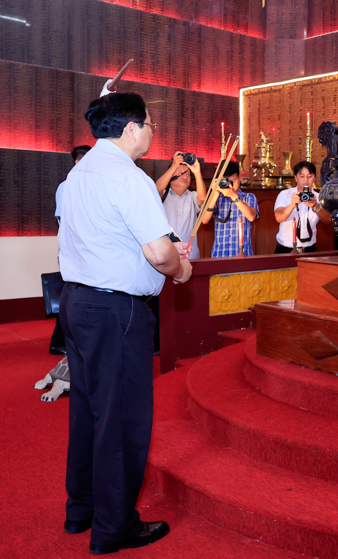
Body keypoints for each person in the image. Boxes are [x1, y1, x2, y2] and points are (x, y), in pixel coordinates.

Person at [57, 93, 192, 554]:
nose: (154, 133)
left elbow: (106, 235)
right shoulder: (129, 178)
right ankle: (113, 527)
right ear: (131, 129)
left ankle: (82, 510)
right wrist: (181, 269)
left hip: (76, 304)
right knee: (121, 420)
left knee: (88, 412)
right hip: (116, 312)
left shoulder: (77, 174)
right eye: (151, 125)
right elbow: (158, 253)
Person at [50, 144, 91, 356]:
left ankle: (66, 340)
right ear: (78, 162)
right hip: (74, 251)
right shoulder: (67, 186)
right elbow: (65, 221)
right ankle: (60, 341)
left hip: (81, 250)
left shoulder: (86, 185)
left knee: (77, 296)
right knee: (73, 295)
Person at [199, 161, 259, 258]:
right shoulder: (216, 199)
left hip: (242, 256)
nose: (230, 185)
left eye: (233, 181)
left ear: (240, 178)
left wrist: (234, 196)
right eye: (225, 182)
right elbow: (204, 220)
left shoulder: (249, 197)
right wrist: (215, 193)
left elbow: (251, 217)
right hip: (219, 255)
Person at [155, 151, 206, 260]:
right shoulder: (163, 195)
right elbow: (157, 189)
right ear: (170, 177)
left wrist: (197, 173)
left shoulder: (192, 196)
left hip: (190, 255)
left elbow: (202, 198)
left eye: (187, 174)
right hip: (167, 255)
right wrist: (174, 165)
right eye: (180, 173)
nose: (185, 177)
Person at [273, 161, 330, 253]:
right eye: (302, 176)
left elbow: (328, 220)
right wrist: (292, 205)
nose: (305, 180)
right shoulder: (285, 194)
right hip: (285, 249)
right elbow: (279, 217)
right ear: (296, 178)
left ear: (314, 178)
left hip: (309, 249)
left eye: (309, 176)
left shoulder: (319, 197)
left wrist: (316, 206)